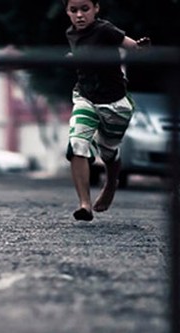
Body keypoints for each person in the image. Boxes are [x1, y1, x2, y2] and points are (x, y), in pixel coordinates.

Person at [63, 0, 150, 221]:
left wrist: (140, 47)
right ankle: (85, 204)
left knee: (109, 151)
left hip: (115, 103)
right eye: (74, 10)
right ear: (67, 12)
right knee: (77, 143)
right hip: (85, 97)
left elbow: (132, 46)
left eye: (85, 9)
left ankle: (111, 184)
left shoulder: (105, 29)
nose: (79, 15)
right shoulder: (71, 33)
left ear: (96, 9)